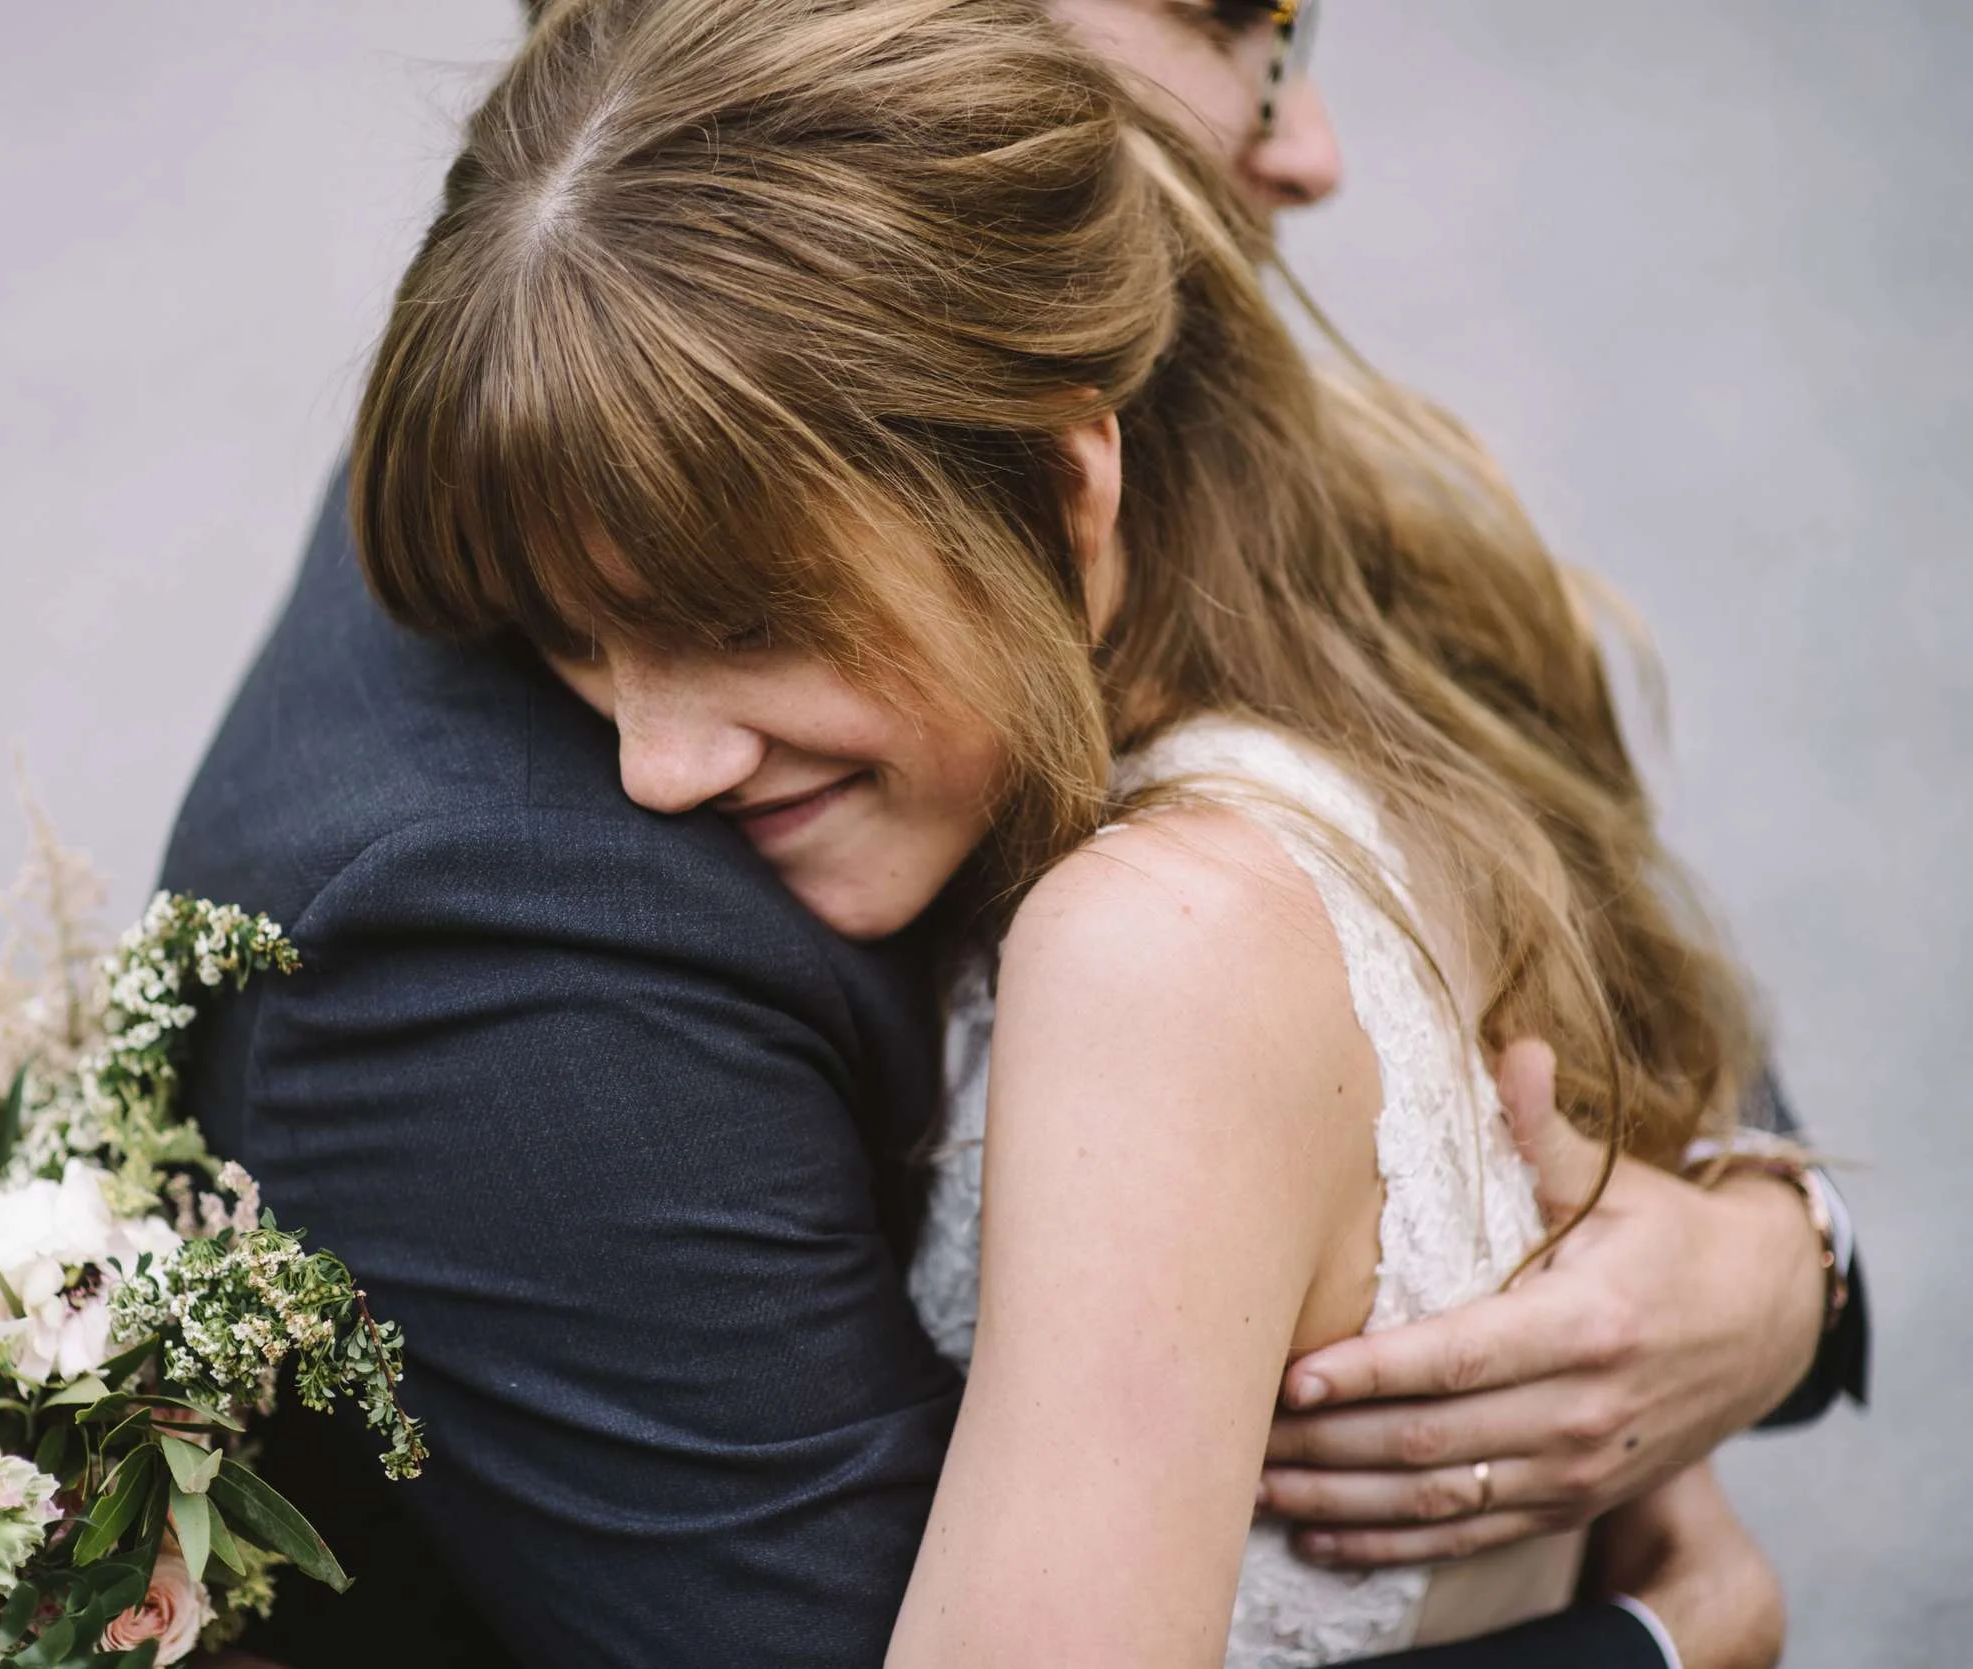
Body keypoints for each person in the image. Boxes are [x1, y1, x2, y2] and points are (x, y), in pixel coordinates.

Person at [162, 2, 1860, 1664]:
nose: (654, 763)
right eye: (571, 636)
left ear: (1071, 488)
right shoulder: (518, 846)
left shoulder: (1174, 905)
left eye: (747, 618)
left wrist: (1790, 1258)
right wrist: (1673, 1633)